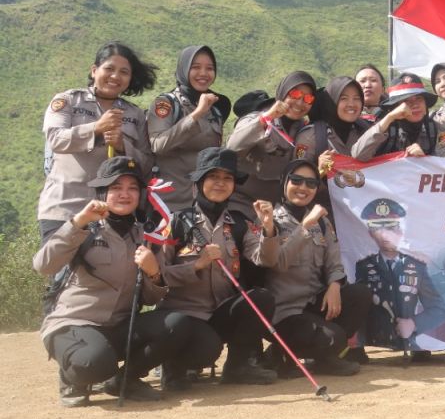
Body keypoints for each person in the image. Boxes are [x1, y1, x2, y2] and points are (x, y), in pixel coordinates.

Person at [34, 157, 204, 405]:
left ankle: (126, 379)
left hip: (120, 325)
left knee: (176, 324)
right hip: (75, 323)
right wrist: (79, 221)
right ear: (102, 192)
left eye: (132, 188)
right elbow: (43, 265)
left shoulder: (145, 237)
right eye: (116, 188)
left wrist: (154, 273)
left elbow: (150, 298)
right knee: (95, 362)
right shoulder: (84, 229)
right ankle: (72, 377)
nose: (125, 194)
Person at [157, 148, 279, 385]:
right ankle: (175, 366)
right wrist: (197, 265)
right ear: (200, 182)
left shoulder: (239, 223)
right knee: (205, 350)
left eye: (227, 178)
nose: (220, 183)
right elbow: (158, 276)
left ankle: (239, 366)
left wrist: (268, 228)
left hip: (220, 312)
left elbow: (266, 259)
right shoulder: (175, 222)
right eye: (213, 177)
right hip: (184, 314)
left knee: (261, 298)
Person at [247, 160, 373, 377]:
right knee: (334, 337)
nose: (303, 188)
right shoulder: (267, 221)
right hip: (284, 312)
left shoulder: (322, 222)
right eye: (296, 181)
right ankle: (281, 351)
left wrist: (334, 285)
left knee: (360, 294)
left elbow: (334, 261)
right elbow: (277, 263)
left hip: (314, 303)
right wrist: (306, 226)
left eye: (311, 183)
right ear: (284, 183)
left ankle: (324, 358)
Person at [39, 41, 156, 242]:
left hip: (114, 215)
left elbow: (146, 164)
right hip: (65, 209)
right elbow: (56, 139)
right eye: (109, 69)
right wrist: (96, 128)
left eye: (124, 72)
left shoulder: (135, 114)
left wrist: (123, 146)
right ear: (94, 70)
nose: (115, 76)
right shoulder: (67, 101)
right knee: (60, 271)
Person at [352, 197, 445, 364]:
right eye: (377, 229)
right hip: (374, 343)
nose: (384, 235)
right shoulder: (363, 266)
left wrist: (414, 324)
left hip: (409, 342)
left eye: (391, 228)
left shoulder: (417, 266)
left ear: (400, 231)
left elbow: (439, 308)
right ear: (370, 233)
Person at [148, 45, 230, 212]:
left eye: (209, 68)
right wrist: (197, 114)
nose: (203, 73)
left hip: (205, 203)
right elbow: (158, 144)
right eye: (195, 67)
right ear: (183, 69)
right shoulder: (166, 103)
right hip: (169, 203)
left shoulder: (215, 109)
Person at [226, 70, 317, 215]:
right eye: (295, 94)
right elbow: (232, 147)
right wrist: (266, 118)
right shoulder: (256, 117)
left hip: (277, 209)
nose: (300, 102)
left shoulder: (304, 130)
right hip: (241, 204)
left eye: (308, 99)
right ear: (282, 93)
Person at [352, 74, 439, 160]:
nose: (415, 105)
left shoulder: (433, 129)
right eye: (406, 100)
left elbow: (443, 166)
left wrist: (424, 160)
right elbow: (358, 155)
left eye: (419, 98)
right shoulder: (385, 128)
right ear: (396, 107)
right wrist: (389, 117)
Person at [294, 75, 368, 167]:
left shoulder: (365, 131)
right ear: (331, 102)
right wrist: (319, 171)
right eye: (343, 98)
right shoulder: (310, 136)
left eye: (357, 98)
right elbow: (297, 176)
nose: (351, 104)